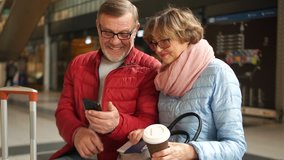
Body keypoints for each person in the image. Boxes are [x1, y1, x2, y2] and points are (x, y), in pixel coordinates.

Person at [128, 6, 247, 160]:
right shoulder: (164, 77)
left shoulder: (218, 72)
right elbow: (170, 130)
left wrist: (191, 151)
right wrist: (150, 134)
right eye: (153, 43)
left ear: (186, 36)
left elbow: (236, 146)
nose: (157, 49)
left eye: (164, 41)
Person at [50, 0, 161, 159]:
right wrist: (76, 133)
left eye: (124, 34)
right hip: (80, 153)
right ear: (98, 27)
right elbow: (63, 111)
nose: (115, 41)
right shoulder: (78, 64)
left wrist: (118, 124)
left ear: (136, 29)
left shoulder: (150, 69)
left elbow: (150, 123)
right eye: (107, 32)